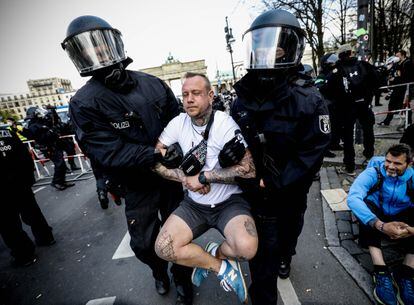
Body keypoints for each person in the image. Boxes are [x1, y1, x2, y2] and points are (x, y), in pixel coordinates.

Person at [62, 15, 192, 305]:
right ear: (78, 56)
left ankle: (183, 279)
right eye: (87, 49)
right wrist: (154, 153)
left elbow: (180, 124)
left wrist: (180, 149)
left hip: (170, 179)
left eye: (101, 45)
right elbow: (106, 150)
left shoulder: (154, 84)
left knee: (179, 235)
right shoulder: (84, 102)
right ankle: (159, 271)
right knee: (144, 245)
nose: (98, 54)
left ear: (114, 44)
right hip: (136, 184)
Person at [230, 9, 331, 305]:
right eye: (261, 46)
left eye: (275, 46)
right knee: (262, 262)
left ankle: (287, 254)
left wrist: (276, 181)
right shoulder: (241, 99)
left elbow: (314, 150)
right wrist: (231, 155)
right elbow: (236, 139)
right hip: (254, 195)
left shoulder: (309, 100)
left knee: (287, 237)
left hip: (289, 191)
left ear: (291, 50)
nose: (267, 54)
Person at [153, 73, 258, 304]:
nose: (189, 99)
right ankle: (218, 266)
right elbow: (155, 159)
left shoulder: (225, 123)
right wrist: (185, 177)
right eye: (185, 94)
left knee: (247, 248)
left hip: (229, 203)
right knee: (163, 248)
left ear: (210, 95)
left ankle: (216, 252)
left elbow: (249, 170)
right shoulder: (177, 123)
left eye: (196, 93)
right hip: (194, 205)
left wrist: (205, 177)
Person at [347, 144, 414, 305]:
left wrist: (412, 230)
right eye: (388, 161)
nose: (390, 166)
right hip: (378, 214)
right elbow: (353, 197)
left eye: (397, 163)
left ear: (409, 163)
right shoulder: (374, 172)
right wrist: (380, 225)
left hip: (402, 216)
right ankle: (380, 270)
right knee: (366, 209)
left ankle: (406, 272)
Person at [0, 128, 55, 267]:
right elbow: (24, 155)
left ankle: (24, 254)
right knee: (31, 211)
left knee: (9, 224)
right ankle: (45, 237)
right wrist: (29, 178)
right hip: (19, 181)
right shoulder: (7, 132)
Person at [325, 44, 379, 176]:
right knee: (368, 129)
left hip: (346, 108)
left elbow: (328, 90)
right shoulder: (364, 65)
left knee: (348, 136)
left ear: (340, 55)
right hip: (364, 104)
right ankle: (369, 155)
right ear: (351, 53)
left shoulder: (336, 70)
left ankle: (349, 166)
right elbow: (377, 80)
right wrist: (368, 96)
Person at [24, 106, 75, 190]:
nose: (40, 113)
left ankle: (62, 181)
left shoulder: (40, 121)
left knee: (61, 164)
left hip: (54, 144)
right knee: (59, 164)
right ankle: (56, 182)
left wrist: (51, 111)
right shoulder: (33, 125)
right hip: (48, 147)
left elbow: (52, 121)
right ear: (34, 114)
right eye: (38, 112)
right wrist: (49, 132)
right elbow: (40, 137)